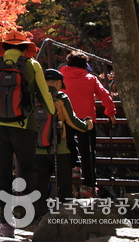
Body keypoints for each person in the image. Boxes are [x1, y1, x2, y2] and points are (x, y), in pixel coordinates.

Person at [0, 31, 55, 237]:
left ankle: (6, 223)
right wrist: (52, 112)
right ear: (25, 47)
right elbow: (45, 95)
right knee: (27, 168)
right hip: (25, 125)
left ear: (5, 46)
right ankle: (24, 212)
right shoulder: (32, 65)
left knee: (3, 173)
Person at [34, 69, 93, 220]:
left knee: (39, 184)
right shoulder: (61, 97)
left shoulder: (34, 96)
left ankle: (37, 216)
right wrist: (87, 125)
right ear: (59, 82)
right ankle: (64, 217)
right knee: (64, 185)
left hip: (37, 149)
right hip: (59, 148)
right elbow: (72, 121)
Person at [59, 51, 116, 197]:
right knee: (88, 152)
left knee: (69, 144)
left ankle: (75, 166)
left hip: (66, 118)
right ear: (85, 65)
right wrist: (111, 113)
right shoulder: (90, 78)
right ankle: (88, 186)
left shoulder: (60, 77)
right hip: (87, 121)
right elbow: (105, 95)